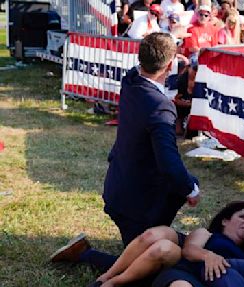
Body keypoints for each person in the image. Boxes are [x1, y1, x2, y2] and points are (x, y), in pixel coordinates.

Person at [50, 33, 200, 271]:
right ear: (170, 65)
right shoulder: (160, 107)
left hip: (121, 189)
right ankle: (84, 254)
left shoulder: (131, 80)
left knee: (152, 254)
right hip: (137, 205)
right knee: (144, 269)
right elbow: (169, 163)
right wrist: (190, 190)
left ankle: (155, 237)